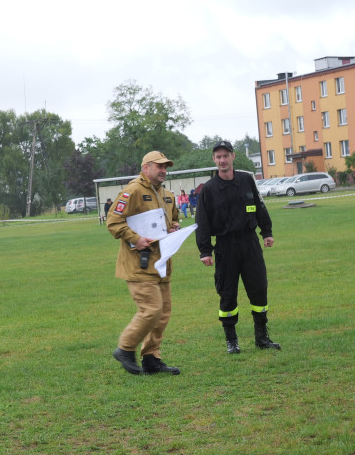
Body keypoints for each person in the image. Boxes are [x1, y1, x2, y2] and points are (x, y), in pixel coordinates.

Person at [195, 140, 280, 354]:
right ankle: (231, 341)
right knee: (228, 293)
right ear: (214, 160)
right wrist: (205, 250)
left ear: (233, 156)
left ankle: (262, 337)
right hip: (225, 247)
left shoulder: (246, 180)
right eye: (218, 157)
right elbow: (202, 221)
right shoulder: (209, 189)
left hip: (250, 243)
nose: (222, 160)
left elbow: (260, 205)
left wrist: (266, 231)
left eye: (226, 155)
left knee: (259, 289)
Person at [106, 151, 182, 375]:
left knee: (163, 312)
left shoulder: (167, 194)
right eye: (159, 166)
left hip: (162, 262)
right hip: (139, 263)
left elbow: (174, 218)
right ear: (146, 167)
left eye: (165, 167)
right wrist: (136, 239)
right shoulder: (132, 191)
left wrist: (173, 227)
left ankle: (151, 358)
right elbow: (113, 221)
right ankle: (125, 348)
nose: (163, 170)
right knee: (151, 309)